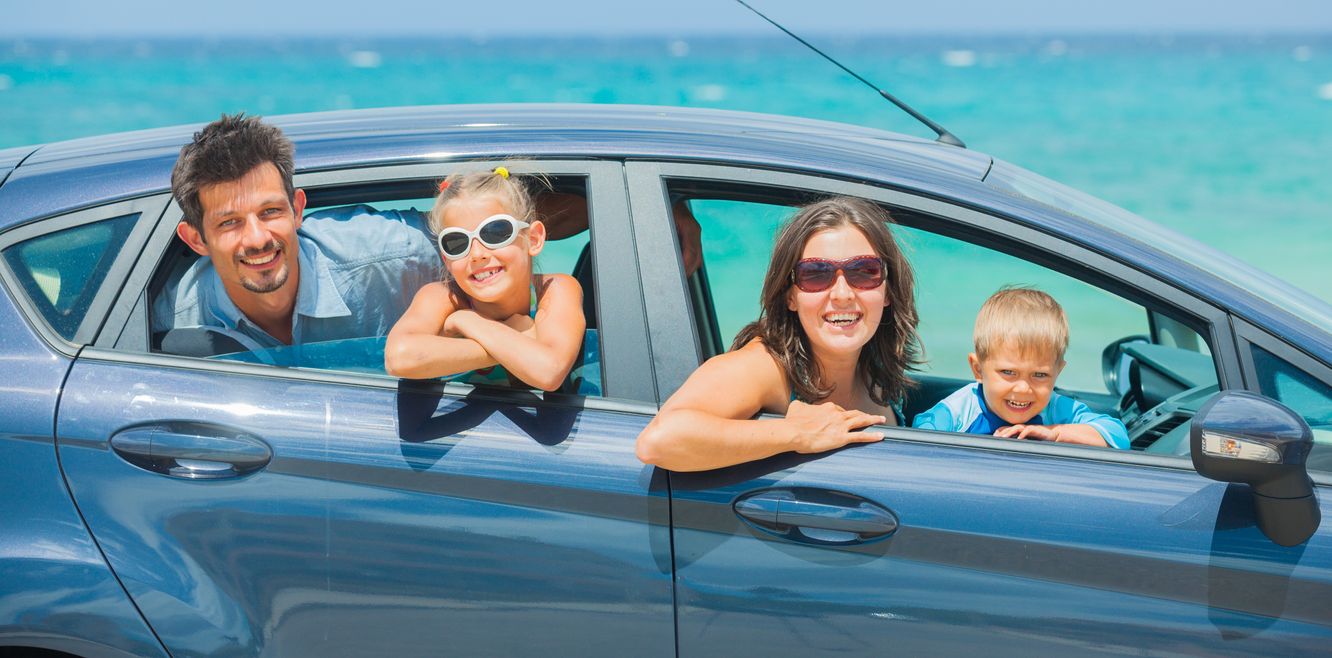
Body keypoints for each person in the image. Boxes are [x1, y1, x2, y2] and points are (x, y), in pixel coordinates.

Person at [152, 113, 595, 357]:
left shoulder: (389, 253)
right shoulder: (171, 315)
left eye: (270, 212)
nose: (256, 238)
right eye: (229, 223)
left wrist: (646, 216)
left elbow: (486, 231)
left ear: (299, 209)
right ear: (196, 240)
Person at [635, 196, 922, 472]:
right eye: (816, 274)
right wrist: (794, 433)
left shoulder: (875, 363)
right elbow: (659, 441)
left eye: (864, 271)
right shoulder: (767, 366)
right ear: (790, 296)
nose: (843, 294)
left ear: (888, 290)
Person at [383, 167, 587, 392]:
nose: (477, 253)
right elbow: (400, 358)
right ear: (446, 259)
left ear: (534, 238)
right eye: (457, 243)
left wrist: (469, 322)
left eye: (496, 232)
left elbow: (549, 371)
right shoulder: (442, 297)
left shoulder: (554, 290)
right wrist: (515, 336)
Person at [912, 287, 1130, 449]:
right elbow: (920, 436)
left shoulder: (1054, 409)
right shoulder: (962, 408)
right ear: (978, 369)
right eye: (1008, 372)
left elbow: (1117, 435)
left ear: (1058, 373)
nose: (1024, 388)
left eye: (1040, 375)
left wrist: (1053, 433)